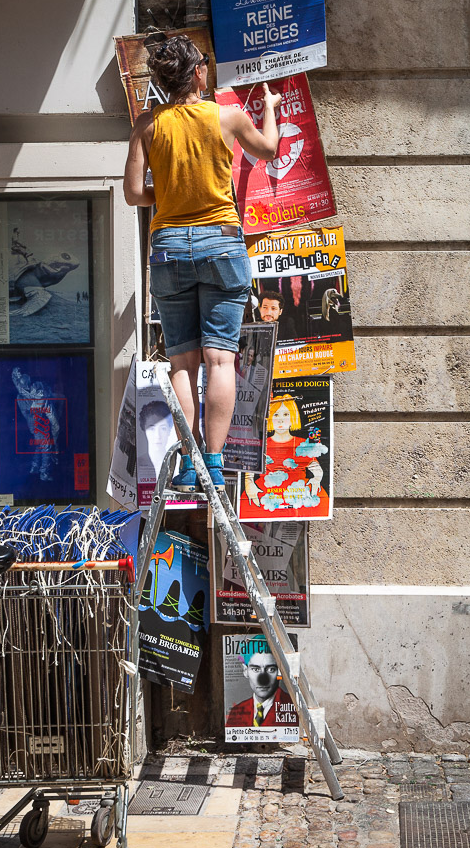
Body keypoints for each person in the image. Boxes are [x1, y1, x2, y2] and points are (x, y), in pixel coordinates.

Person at [123, 36, 281, 489]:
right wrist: (269, 104)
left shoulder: (147, 125)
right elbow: (268, 149)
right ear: (197, 74)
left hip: (169, 248)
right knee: (220, 361)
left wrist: (170, 196)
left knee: (182, 362)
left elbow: (134, 193)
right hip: (221, 245)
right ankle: (213, 463)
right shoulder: (226, 116)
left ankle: (188, 463)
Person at [241, 394, 329, 518]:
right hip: (264, 495)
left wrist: (316, 480)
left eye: (286, 414)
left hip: (300, 496)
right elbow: (249, 472)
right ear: (270, 418)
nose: (281, 420)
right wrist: (249, 485)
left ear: (293, 417)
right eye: (276, 415)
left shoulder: (302, 444)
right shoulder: (260, 445)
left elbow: (316, 468)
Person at [225, 648, 295, 728]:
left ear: (280, 671)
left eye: (271, 669)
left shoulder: (294, 708)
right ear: (245, 671)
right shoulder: (236, 712)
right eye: (255, 669)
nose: (263, 680)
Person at [137, 400, 176, 480]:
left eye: (163, 428)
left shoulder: (177, 464)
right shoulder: (137, 464)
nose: (157, 436)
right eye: (152, 428)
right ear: (144, 429)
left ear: (169, 430)